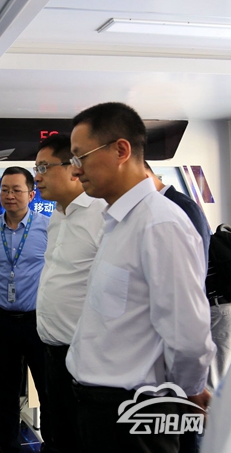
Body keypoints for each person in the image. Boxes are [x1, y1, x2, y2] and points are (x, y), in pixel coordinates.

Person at [65, 102, 216, 453]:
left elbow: (188, 335)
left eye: (81, 156)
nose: (76, 170)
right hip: (101, 408)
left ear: (121, 150)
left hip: (134, 414)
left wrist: (187, 392)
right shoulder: (118, 221)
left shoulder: (160, 223)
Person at [34, 134, 106, 453]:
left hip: (85, 360)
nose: (37, 177)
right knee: (58, 435)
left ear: (72, 168)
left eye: (44, 168)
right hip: (53, 354)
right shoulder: (57, 216)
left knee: (83, 440)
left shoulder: (101, 215)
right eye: (36, 169)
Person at [0, 166, 51, 453]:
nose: (9, 195)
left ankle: (53, 446)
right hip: (2, 321)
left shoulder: (47, 227)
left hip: (38, 320)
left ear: (31, 195)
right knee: (6, 392)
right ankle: (9, 447)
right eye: (5, 189)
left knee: (47, 390)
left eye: (16, 190)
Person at [144, 161, 211, 453]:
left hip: (177, 334)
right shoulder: (151, 208)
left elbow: (189, 283)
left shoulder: (177, 208)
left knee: (184, 421)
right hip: (158, 340)